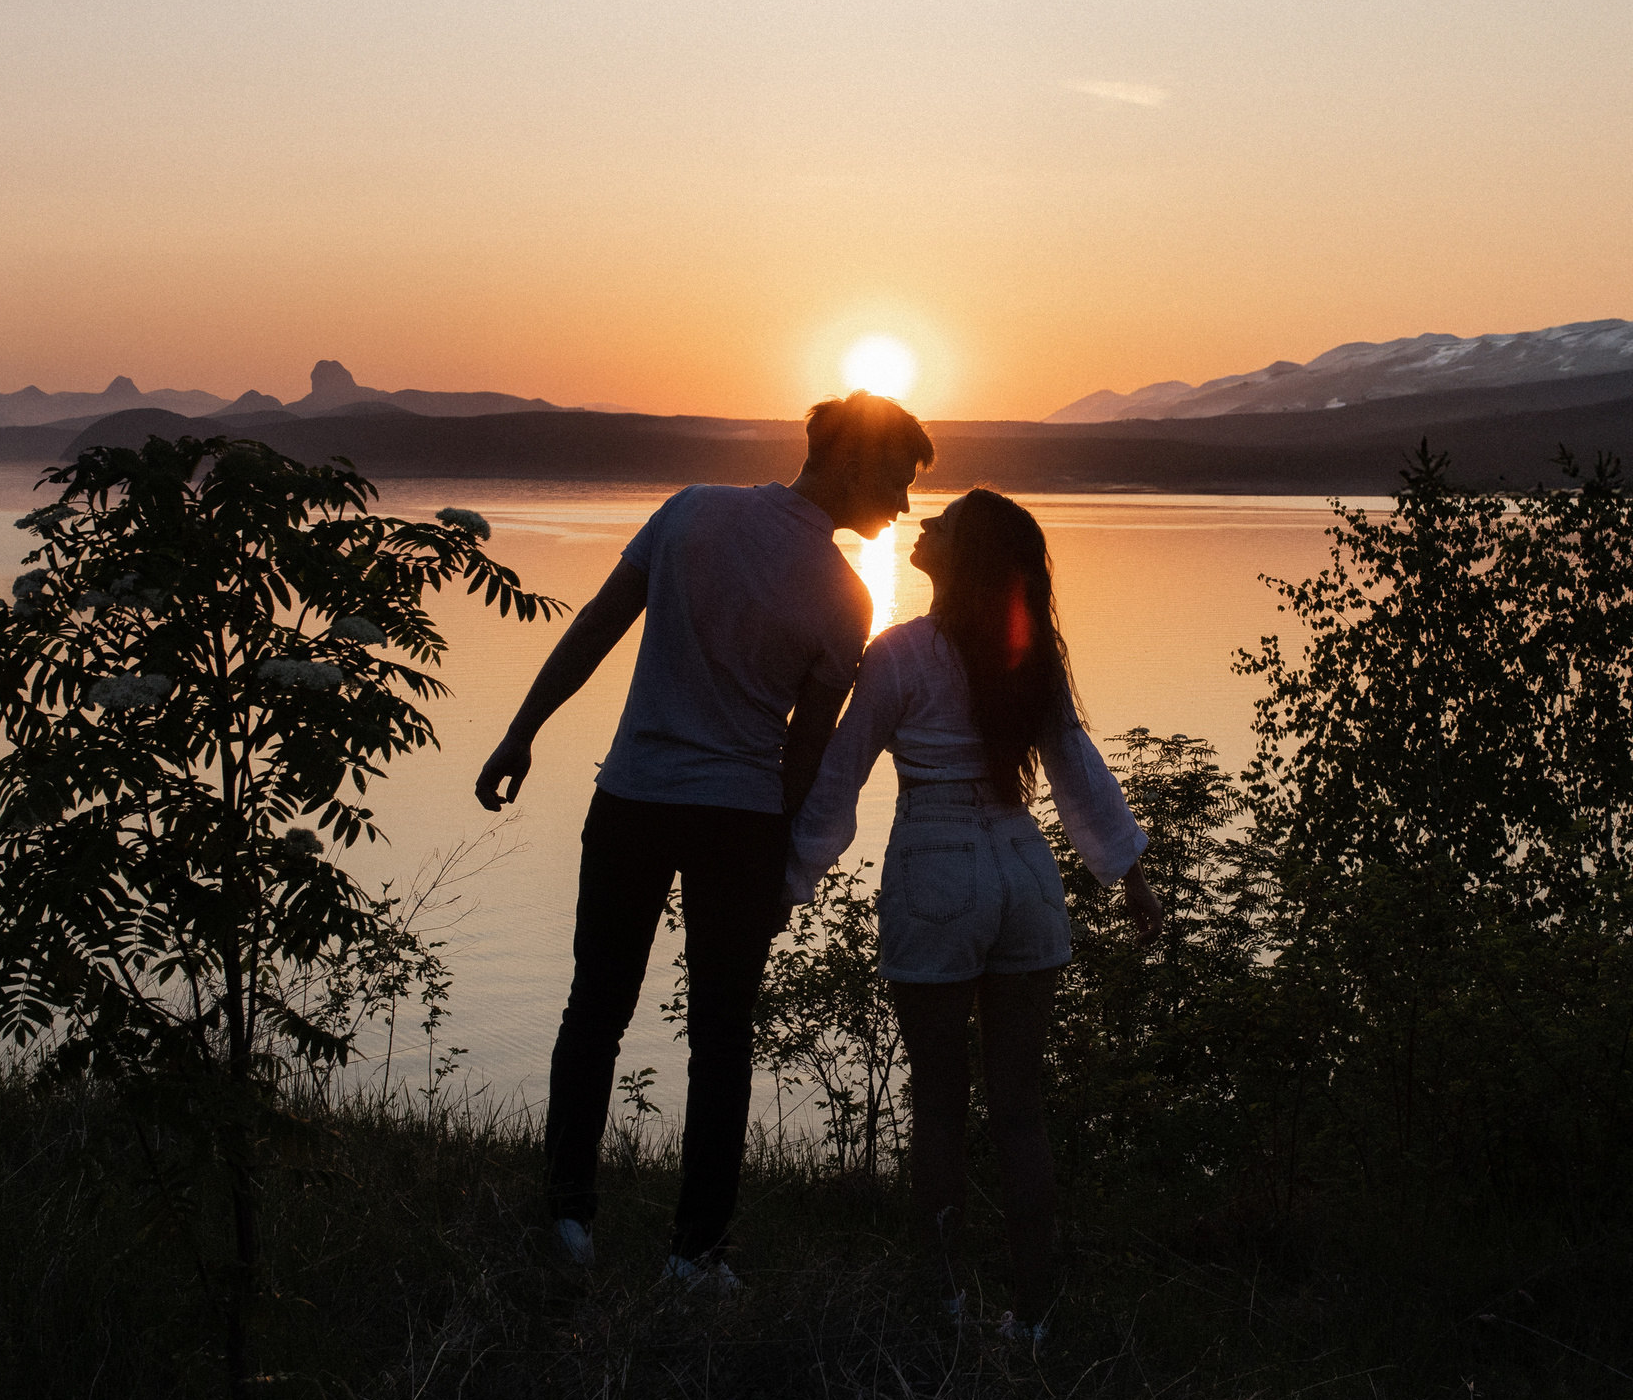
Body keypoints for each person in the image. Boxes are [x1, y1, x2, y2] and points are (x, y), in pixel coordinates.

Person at [475, 390, 934, 1287]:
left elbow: (597, 625)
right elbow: (803, 755)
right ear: (847, 460)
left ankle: (568, 1220)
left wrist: (522, 731)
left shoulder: (691, 511)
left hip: (633, 799)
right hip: (740, 823)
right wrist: (781, 870)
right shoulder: (847, 600)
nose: (904, 503)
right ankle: (694, 1256)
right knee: (722, 1038)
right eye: (895, 477)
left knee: (594, 1010)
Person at [783, 487, 1163, 1341]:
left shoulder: (898, 654)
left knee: (940, 1103)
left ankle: (944, 1308)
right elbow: (1078, 769)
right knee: (1020, 1107)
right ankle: (1034, 1315)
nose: (926, 524)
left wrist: (789, 880)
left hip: (936, 868)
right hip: (1025, 870)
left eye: (945, 523)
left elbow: (838, 777)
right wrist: (1131, 876)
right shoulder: (1027, 657)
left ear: (967, 556)